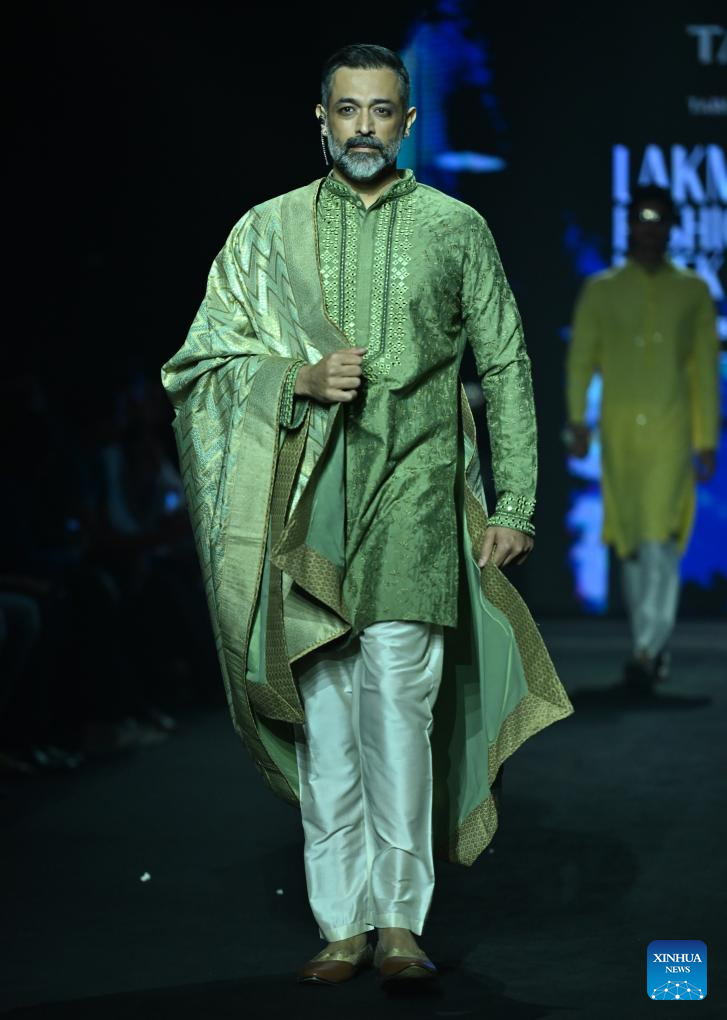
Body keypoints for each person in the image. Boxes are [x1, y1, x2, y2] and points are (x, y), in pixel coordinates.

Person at [162, 43, 572, 987]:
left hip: (416, 498)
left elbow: (504, 363)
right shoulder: (267, 233)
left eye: (380, 111)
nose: (362, 128)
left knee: (397, 711)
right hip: (306, 510)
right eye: (346, 110)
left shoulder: (455, 227)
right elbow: (197, 365)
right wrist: (294, 380)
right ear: (320, 119)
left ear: (407, 122)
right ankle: (339, 923)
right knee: (327, 716)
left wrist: (515, 503)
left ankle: (397, 922)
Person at [566, 184, 720, 690]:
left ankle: (649, 646)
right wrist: (578, 421)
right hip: (618, 434)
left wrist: (705, 438)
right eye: (641, 218)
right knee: (631, 540)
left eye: (659, 219)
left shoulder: (693, 291)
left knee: (660, 537)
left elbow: (704, 368)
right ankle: (646, 644)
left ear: (671, 226)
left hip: (672, 430)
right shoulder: (601, 290)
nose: (649, 229)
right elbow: (581, 358)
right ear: (629, 224)